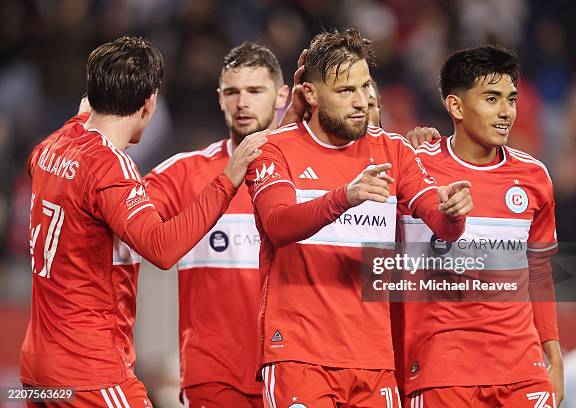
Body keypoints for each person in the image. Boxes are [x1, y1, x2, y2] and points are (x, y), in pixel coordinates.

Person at [20, 36, 266, 407]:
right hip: (90, 367)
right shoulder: (110, 167)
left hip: (38, 369)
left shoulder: (51, 146)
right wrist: (228, 178)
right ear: (149, 103)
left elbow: (73, 137)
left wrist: (84, 116)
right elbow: (162, 248)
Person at [245, 28, 473, 407]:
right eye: (345, 91)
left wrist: (454, 212)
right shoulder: (275, 150)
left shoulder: (393, 150)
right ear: (311, 95)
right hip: (298, 355)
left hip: (373, 360)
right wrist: (344, 197)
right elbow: (278, 224)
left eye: (365, 87)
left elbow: (441, 222)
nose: (361, 101)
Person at [398, 45, 563, 407]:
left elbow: (539, 270)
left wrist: (554, 355)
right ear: (456, 106)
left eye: (511, 99)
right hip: (444, 370)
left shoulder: (534, 177)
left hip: (523, 370)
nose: (506, 112)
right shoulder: (412, 165)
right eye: (492, 99)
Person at [142, 42, 288, 407]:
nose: (242, 103)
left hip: (294, 371)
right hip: (214, 378)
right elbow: (117, 214)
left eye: (255, 91)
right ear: (219, 98)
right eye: (232, 92)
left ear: (282, 95)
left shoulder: (311, 175)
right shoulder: (181, 175)